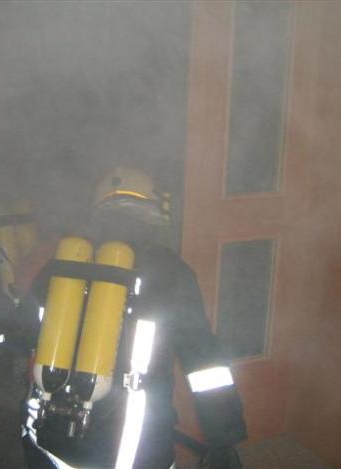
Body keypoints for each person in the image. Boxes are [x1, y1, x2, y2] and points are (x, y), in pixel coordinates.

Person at [14, 167, 247, 469]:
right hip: (138, 453)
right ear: (151, 213)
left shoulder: (62, 265)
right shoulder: (171, 273)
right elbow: (205, 363)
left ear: (98, 209)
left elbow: (19, 334)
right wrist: (224, 439)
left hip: (52, 443)